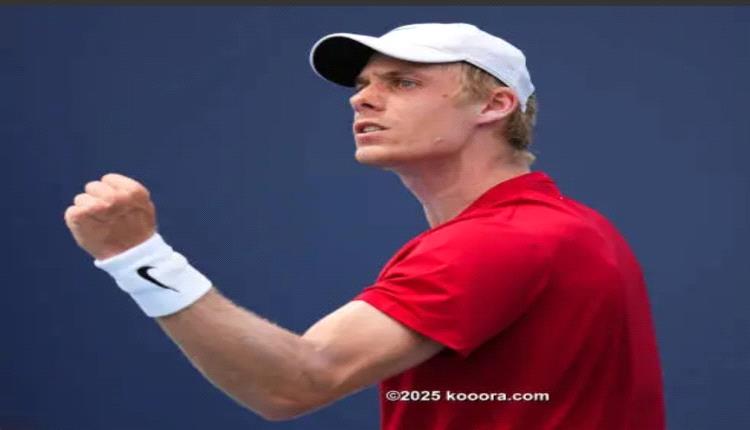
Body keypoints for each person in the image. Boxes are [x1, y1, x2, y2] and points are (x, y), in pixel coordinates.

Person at [63, 23, 665, 429]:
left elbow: (295, 382)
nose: (362, 99)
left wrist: (138, 256)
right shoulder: (558, 227)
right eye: (363, 85)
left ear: (494, 105)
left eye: (403, 82)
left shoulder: (501, 239)